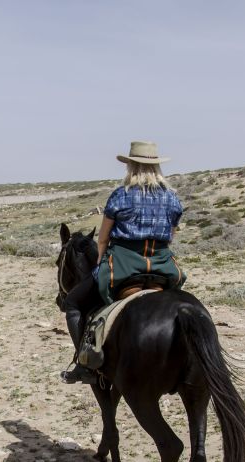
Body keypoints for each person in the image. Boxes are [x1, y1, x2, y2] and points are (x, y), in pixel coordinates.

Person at [61, 141, 186, 384]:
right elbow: (170, 236)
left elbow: (104, 238)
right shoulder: (172, 199)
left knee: (73, 304)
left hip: (123, 266)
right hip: (163, 266)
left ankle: (83, 365)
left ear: (130, 166)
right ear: (156, 166)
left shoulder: (121, 195)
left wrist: (100, 262)